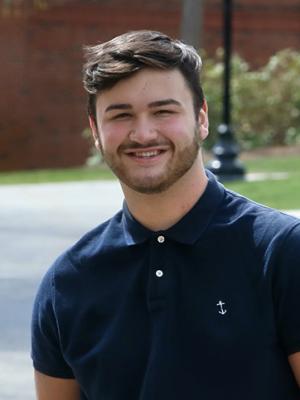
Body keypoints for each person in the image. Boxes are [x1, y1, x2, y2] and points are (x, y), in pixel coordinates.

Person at [31, 30, 300, 399]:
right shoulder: (67, 284)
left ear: (201, 118)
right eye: (121, 115)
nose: (143, 134)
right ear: (96, 131)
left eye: (163, 111)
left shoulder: (283, 252)